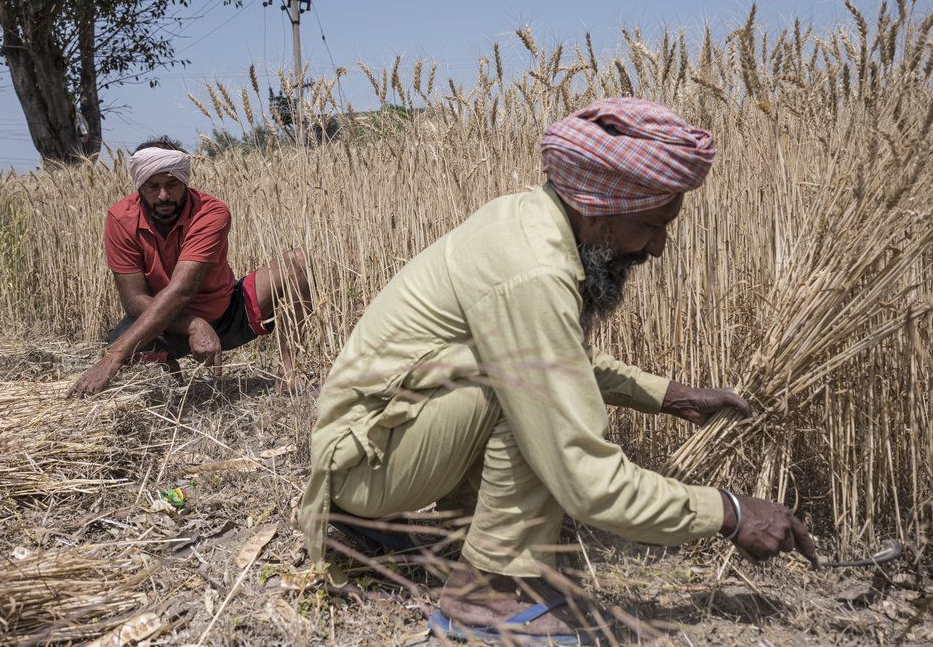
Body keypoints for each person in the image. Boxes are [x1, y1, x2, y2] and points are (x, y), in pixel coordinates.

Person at [299, 99, 817, 643]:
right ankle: (482, 596)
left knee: (531, 375)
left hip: (372, 444)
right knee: (528, 394)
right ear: (598, 208)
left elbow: (561, 353)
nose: (659, 247)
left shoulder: (527, 218)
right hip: (361, 464)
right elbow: (584, 479)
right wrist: (730, 512)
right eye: (651, 224)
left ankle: (408, 530)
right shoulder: (533, 272)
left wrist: (667, 396)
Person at [67, 137, 312, 398]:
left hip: (227, 314)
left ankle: (288, 373)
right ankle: (164, 361)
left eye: (172, 184)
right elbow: (134, 299)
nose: (163, 195)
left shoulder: (211, 212)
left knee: (297, 262)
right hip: (165, 326)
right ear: (139, 185)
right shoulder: (120, 218)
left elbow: (182, 290)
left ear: (185, 181)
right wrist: (191, 324)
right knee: (124, 346)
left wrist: (112, 358)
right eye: (153, 186)